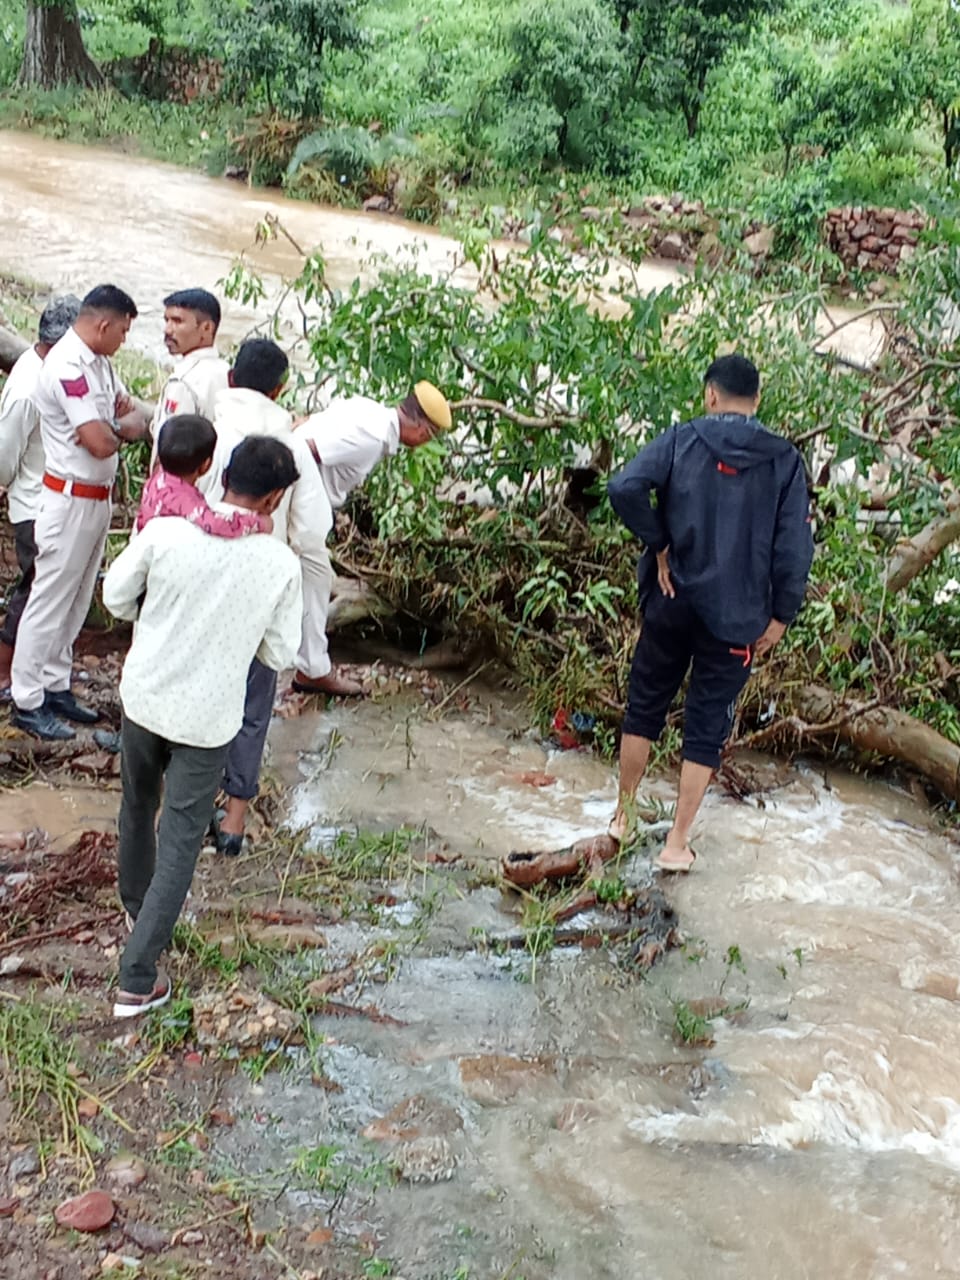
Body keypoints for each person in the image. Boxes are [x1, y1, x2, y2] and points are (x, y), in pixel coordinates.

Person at [102, 436, 303, 1017]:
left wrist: (162, 616)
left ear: (222, 476)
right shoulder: (279, 565)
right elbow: (279, 652)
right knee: (183, 841)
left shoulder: (166, 531)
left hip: (145, 698)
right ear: (271, 499)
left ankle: (139, 912)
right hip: (208, 719)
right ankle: (138, 976)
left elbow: (115, 598)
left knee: (137, 806)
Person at [606, 354, 813, 872]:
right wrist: (782, 616)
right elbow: (795, 549)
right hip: (738, 619)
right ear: (757, 402)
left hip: (671, 599)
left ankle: (623, 818)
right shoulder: (785, 460)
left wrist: (658, 544)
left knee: (644, 706)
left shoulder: (681, 439)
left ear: (710, 395)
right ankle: (676, 844)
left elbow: (622, 486)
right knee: (705, 727)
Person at [199, 338, 334, 854]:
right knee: (254, 703)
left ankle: (180, 803)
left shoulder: (205, 426)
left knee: (198, 686)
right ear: (280, 389)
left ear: (231, 378)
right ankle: (233, 820)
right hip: (259, 583)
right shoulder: (291, 445)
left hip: (199, 575)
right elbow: (312, 532)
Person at [10, 284, 149, 741]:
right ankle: (27, 697)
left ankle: (55, 682)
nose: (125, 341)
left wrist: (113, 425)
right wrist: (114, 426)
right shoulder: (67, 365)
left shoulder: (100, 363)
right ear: (103, 324)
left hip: (95, 497)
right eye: (123, 332)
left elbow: (133, 418)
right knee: (48, 600)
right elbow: (102, 439)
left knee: (75, 599)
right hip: (67, 498)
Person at [292, 381, 452, 695]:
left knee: (311, 580)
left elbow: (307, 423)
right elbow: (304, 448)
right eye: (429, 434)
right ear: (418, 424)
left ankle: (306, 664)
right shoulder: (372, 436)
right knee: (316, 580)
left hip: (305, 498)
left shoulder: (369, 410)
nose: (425, 441)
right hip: (302, 497)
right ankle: (310, 670)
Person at [0, 294, 82, 691]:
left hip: (54, 499)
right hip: (33, 504)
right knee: (34, 589)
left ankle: (32, 673)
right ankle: (6, 672)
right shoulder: (28, 387)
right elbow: (4, 455)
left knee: (43, 590)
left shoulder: (54, 371)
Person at [137, 413, 271, 539]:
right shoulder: (184, 500)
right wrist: (257, 523)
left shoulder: (157, 480)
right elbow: (215, 524)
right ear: (206, 464)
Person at [150, 289, 229, 461]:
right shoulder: (226, 372)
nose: (168, 330)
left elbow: (172, 450)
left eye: (177, 321)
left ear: (206, 328)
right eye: (167, 320)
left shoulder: (184, 382)